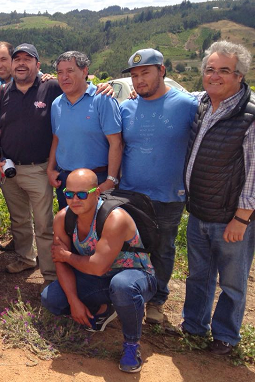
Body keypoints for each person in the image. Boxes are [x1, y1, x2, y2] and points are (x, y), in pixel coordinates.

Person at [41, 169, 156, 373]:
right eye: (69, 194)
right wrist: (73, 301)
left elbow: (95, 265)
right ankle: (105, 308)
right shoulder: (63, 218)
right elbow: (60, 263)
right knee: (52, 298)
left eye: (82, 194)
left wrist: (67, 256)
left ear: (96, 193)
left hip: (135, 275)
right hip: (98, 278)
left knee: (122, 287)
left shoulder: (114, 218)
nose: (75, 199)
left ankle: (131, 345)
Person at [181, 40, 255, 356]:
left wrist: (241, 218)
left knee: (233, 283)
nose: (214, 76)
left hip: (231, 218)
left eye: (224, 70)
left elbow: (254, 172)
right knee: (198, 275)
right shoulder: (199, 102)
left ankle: (225, 336)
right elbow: (167, 96)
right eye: (210, 69)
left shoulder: (250, 116)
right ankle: (194, 327)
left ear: (239, 76)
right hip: (199, 212)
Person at [118, 48, 198, 324]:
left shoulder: (187, 105)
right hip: (129, 194)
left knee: (163, 249)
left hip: (169, 194)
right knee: (129, 248)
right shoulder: (126, 107)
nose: (139, 81)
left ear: (162, 71)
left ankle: (157, 301)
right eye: (135, 76)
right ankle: (129, 295)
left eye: (146, 73)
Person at [0, 43, 62, 284]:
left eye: (27, 59)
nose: (21, 63)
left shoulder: (51, 87)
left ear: (37, 65)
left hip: (39, 168)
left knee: (44, 224)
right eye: (16, 59)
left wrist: (103, 88)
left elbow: (79, 92)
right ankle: (26, 258)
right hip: (10, 169)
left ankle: (49, 274)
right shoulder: (2, 93)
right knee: (19, 219)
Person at [47, 51, 122, 210]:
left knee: (98, 229)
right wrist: (51, 169)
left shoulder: (103, 99)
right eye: (60, 72)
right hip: (66, 180)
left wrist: (111, 180)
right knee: (69, 228)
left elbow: (116, 143)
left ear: (85, 71)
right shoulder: (56, 104)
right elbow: (57, 139)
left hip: (97, 180)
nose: (64, 77)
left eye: (70, 71)